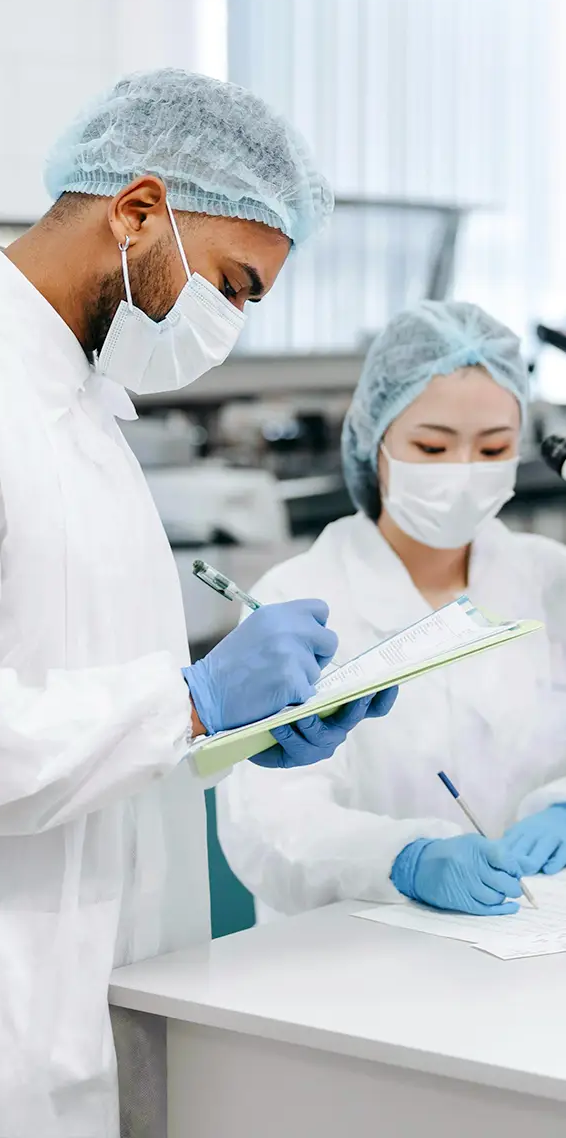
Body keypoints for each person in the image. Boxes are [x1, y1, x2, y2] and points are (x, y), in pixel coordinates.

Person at [0, 68, 395, 1138]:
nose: (230, 321)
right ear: (137, 210)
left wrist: (234, 731)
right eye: (233, 285)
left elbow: (73, 701)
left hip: (78, 1009)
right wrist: (188, 702)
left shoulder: (78, 407)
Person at [218, 301, 566, 925]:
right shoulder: (296, 600)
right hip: (350, 954)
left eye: (493, 448)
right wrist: (403, 858)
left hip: (532, 940)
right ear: (374, 442)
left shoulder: (552, 580)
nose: (464, 473)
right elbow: (268, 821)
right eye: (432, 447)